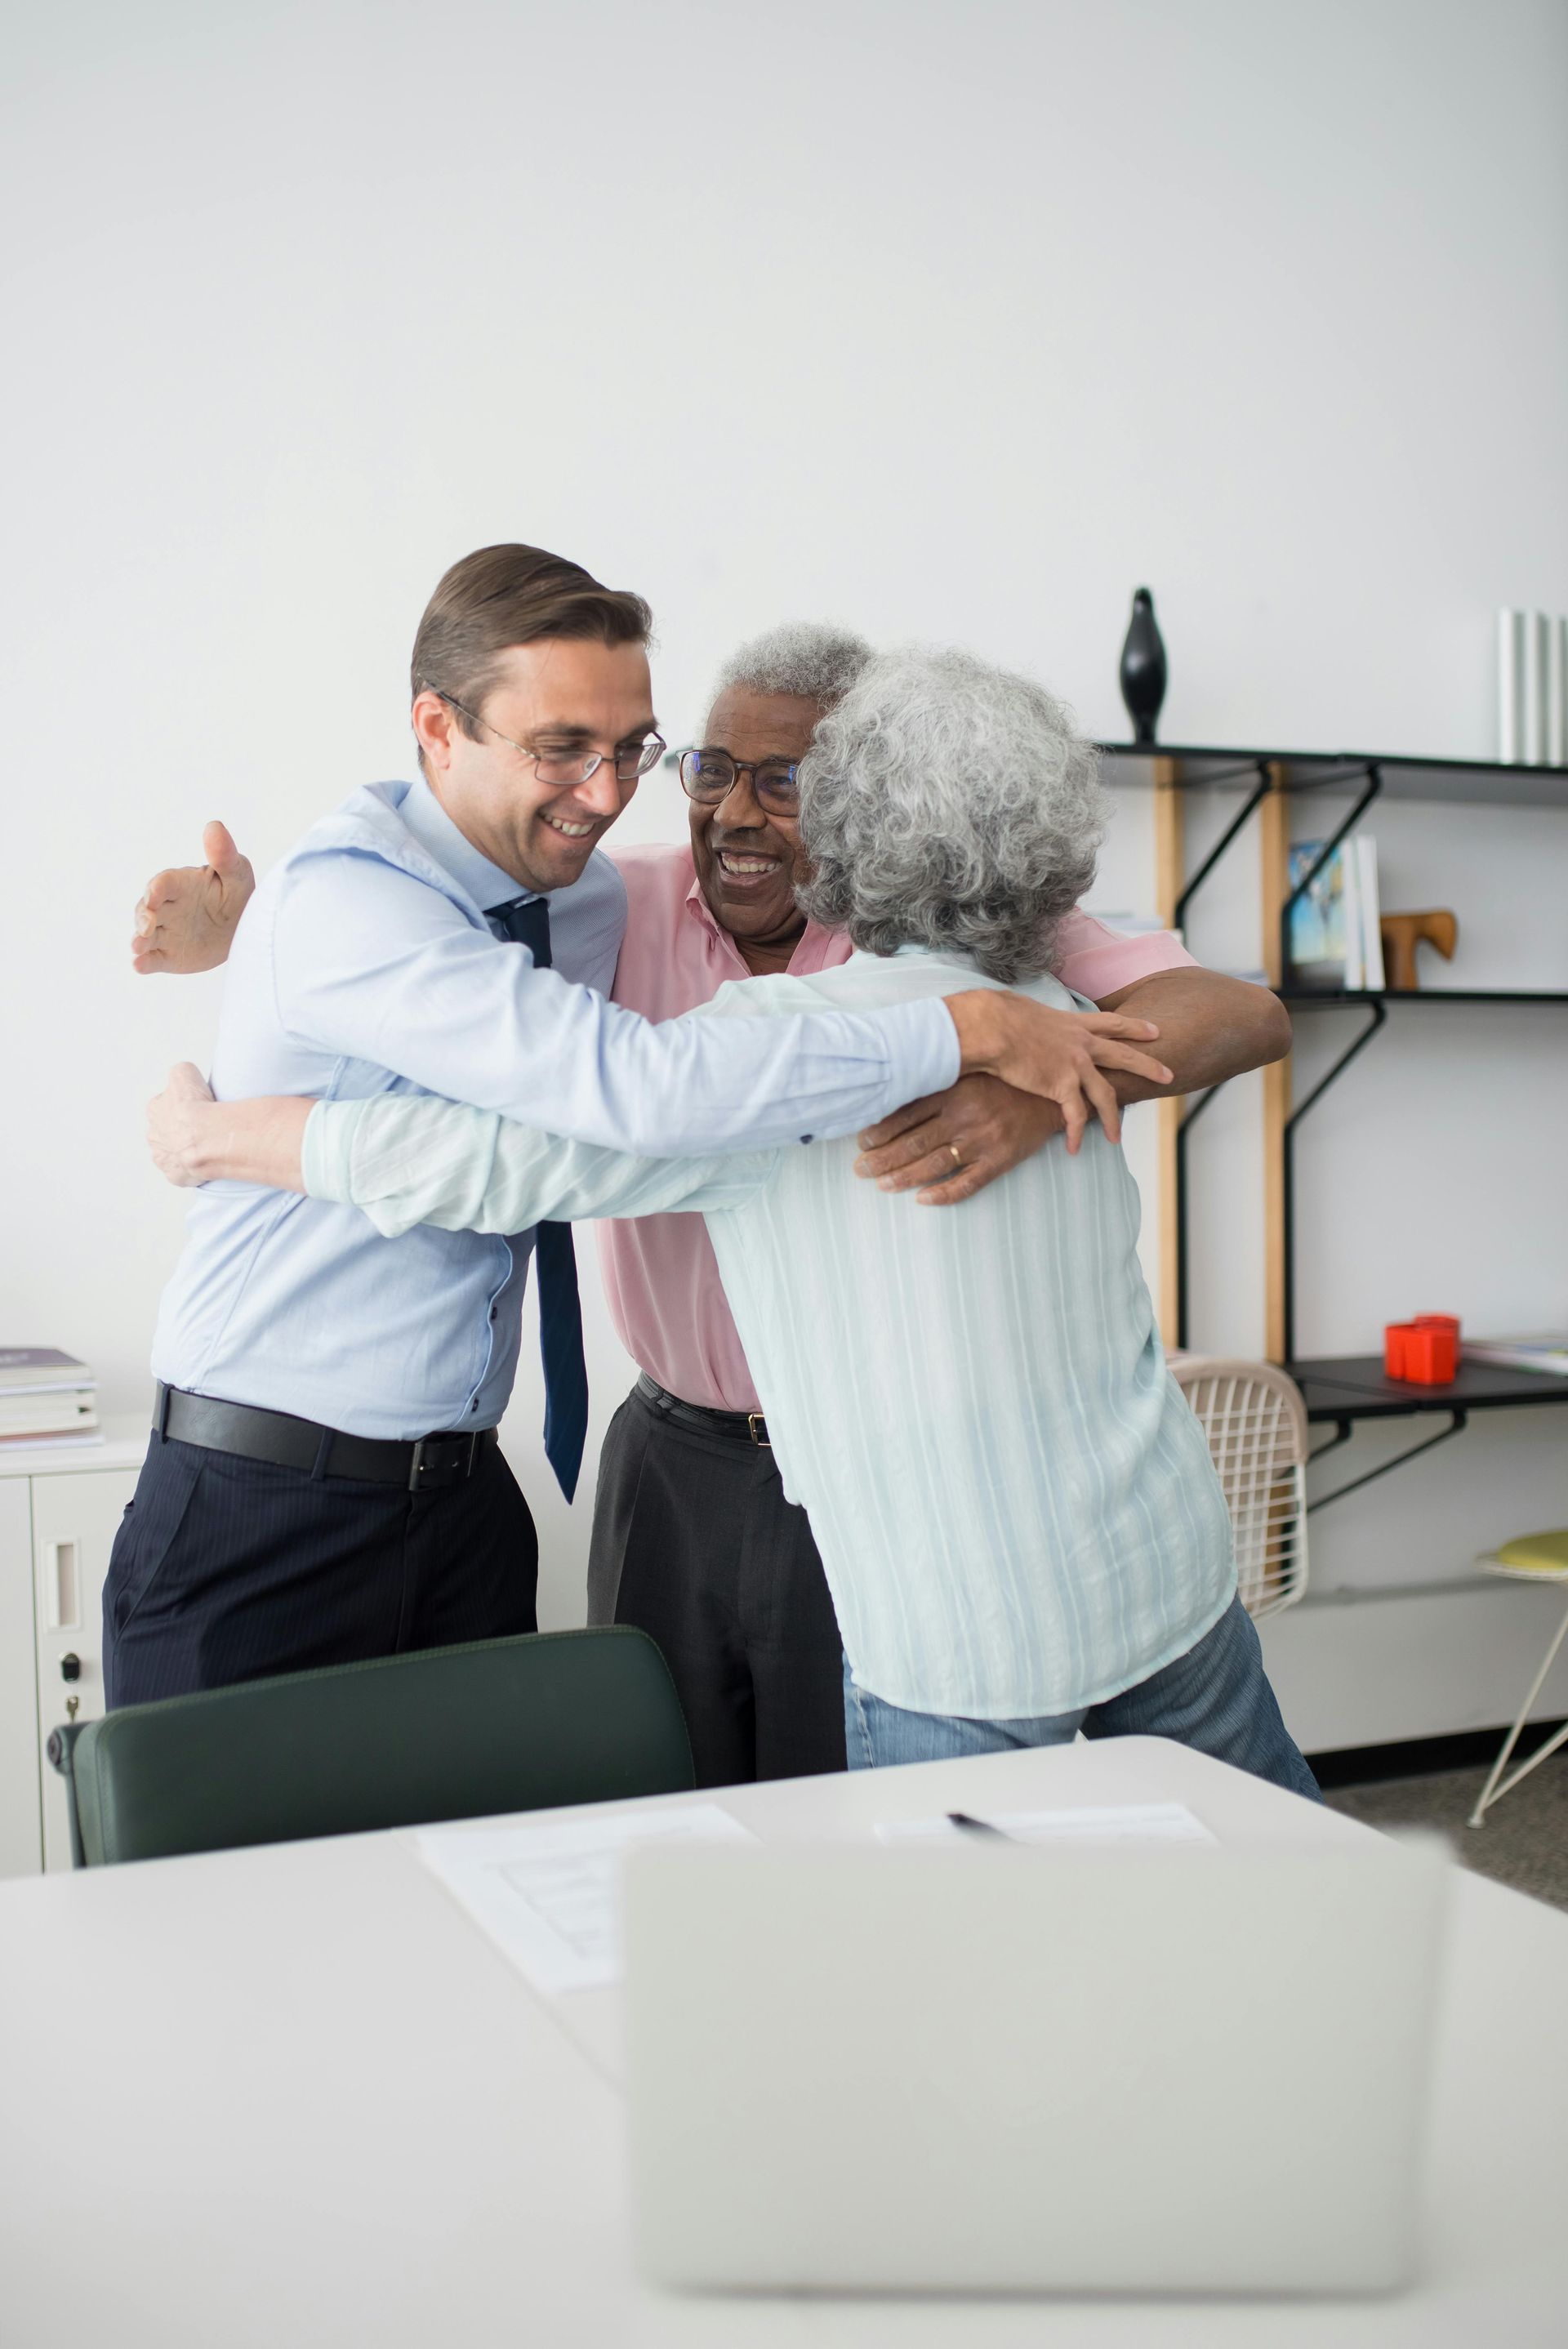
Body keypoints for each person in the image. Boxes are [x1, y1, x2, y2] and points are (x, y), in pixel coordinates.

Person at [145, 644, 1318, 1799]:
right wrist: (265, 940)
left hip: (958, 1621)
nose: (740, 814)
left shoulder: (790, 1053)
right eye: (711, 770)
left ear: (845, 822)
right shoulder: (1061, 1018)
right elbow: (445, 965)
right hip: (1155, 1564)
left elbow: (497, 1164)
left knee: (940, 1954)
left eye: (791, 784)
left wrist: (240, 1138)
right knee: (1273, 1872)